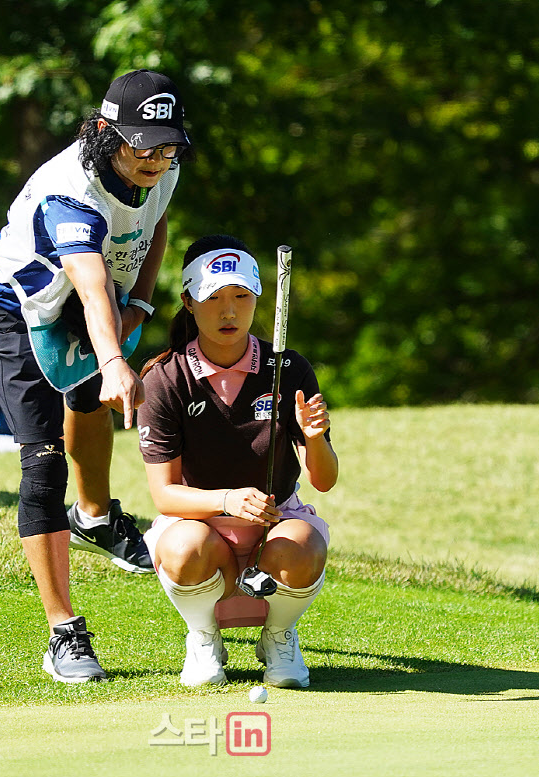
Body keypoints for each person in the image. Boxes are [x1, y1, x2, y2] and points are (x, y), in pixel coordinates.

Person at [0, 69, 191, 683]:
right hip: (11, 309)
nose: (157, 159)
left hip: (85, 304)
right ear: (106, 132)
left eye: (168, 146)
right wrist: (116, 360)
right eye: (144, 144)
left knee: (87, 404)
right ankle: (63, 632)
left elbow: (156, 222)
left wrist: (139, 303)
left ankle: (93, 517)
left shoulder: (158, 170)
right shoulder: (70, 194)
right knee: (41, 460)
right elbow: (87, 284)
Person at [136, 235, 338, 688]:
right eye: (214, 298)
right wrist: (228, 500)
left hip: (276, 526)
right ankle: (204, 636)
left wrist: (315, 437)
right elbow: (163, 492)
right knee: (183, 547)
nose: (229, 312)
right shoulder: (165, 377)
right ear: (188, 301)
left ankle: (279, 636)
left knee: (305, 544)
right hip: (201, 529)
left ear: (256, 299)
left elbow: (323, 480)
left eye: (241, 297)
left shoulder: (289, 368)